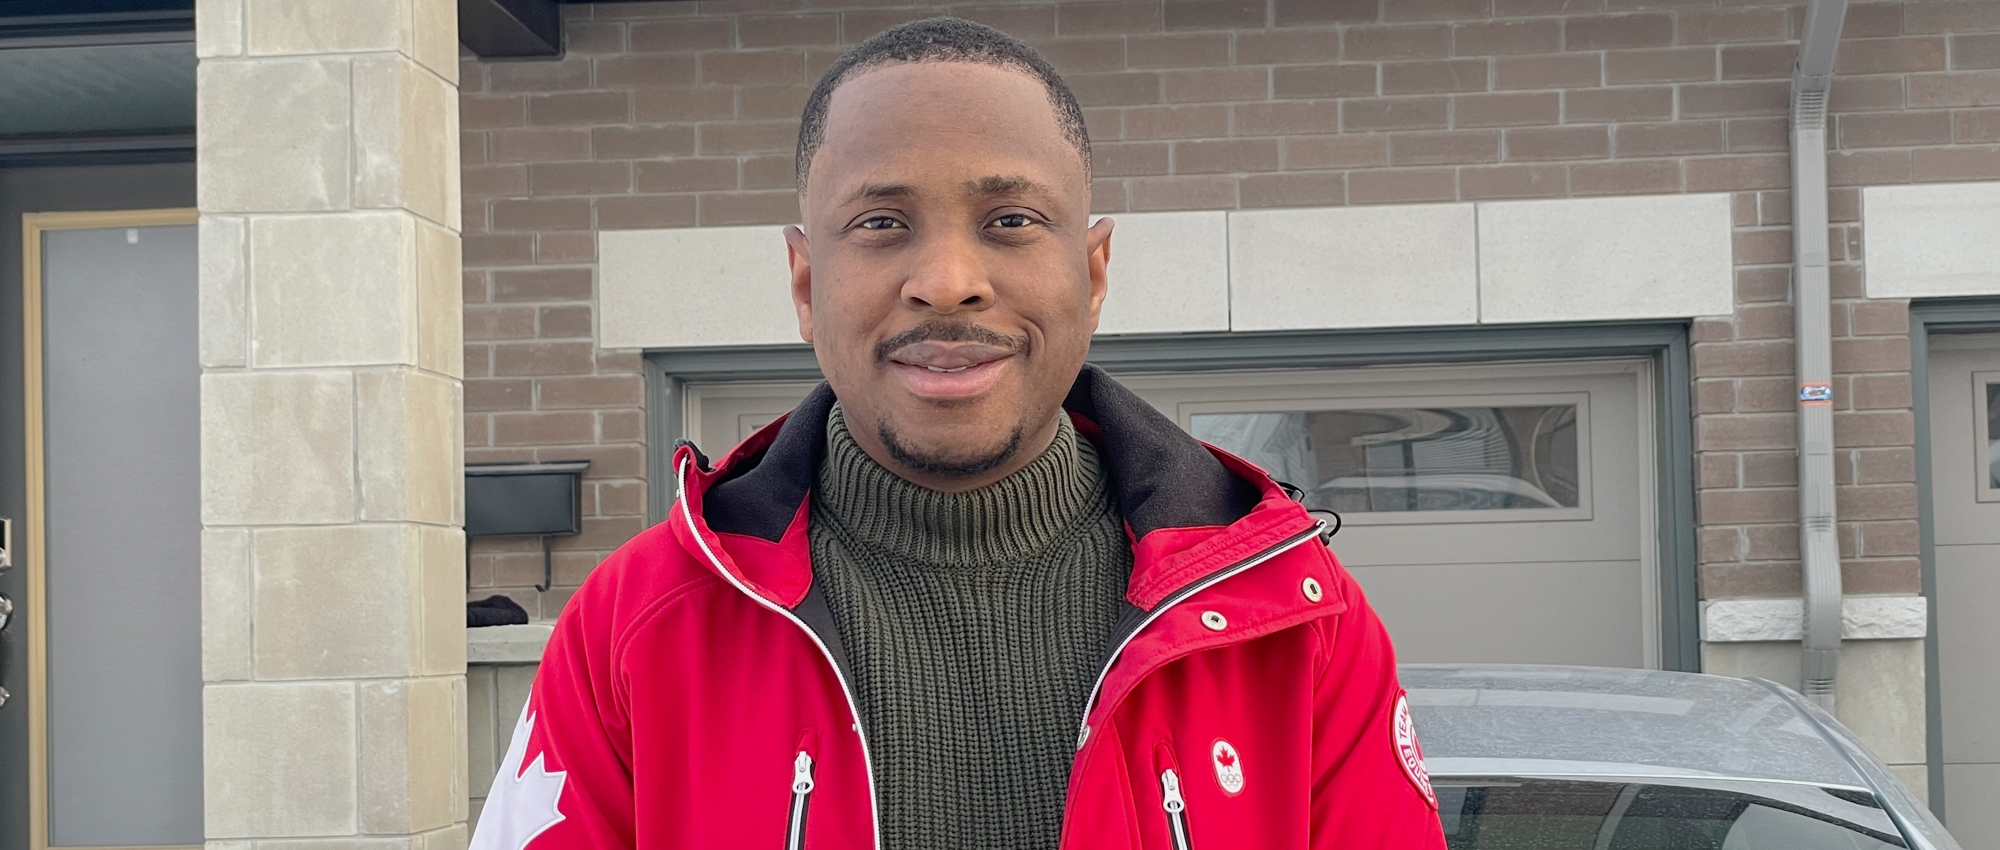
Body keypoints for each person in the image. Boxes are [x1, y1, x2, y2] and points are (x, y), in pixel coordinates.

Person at [471, 17, 1447, 850]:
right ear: (806, 283)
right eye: (882, 223)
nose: (946, 279)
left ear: (1094, 272)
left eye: (1011, 218)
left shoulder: (1296, 627)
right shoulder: (634, 628)